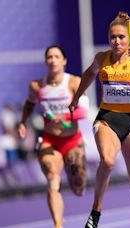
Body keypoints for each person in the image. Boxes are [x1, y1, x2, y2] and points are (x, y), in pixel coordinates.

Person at [68, 12, 130, 228]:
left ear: (129, 38)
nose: (116, 41)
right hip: (107, 118)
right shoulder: (102, 58)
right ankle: (96, 212)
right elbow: (88, 75)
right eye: (112, 37)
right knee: (108, 161)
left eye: (121, 37)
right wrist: (76, 97)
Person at [18, 44, 89, 228]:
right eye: (49, 57)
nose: (53, 60)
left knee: (78, 188)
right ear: (45, 61)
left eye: (57, 56)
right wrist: (22, 122)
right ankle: (58, 224)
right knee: (52, 180)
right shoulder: (37, 86)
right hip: (50, 141)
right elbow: (29, 104)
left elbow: (84, 111)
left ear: (64, 61)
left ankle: (76, 183)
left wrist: (64, 116)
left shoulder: (74, 82)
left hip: (72, 141)